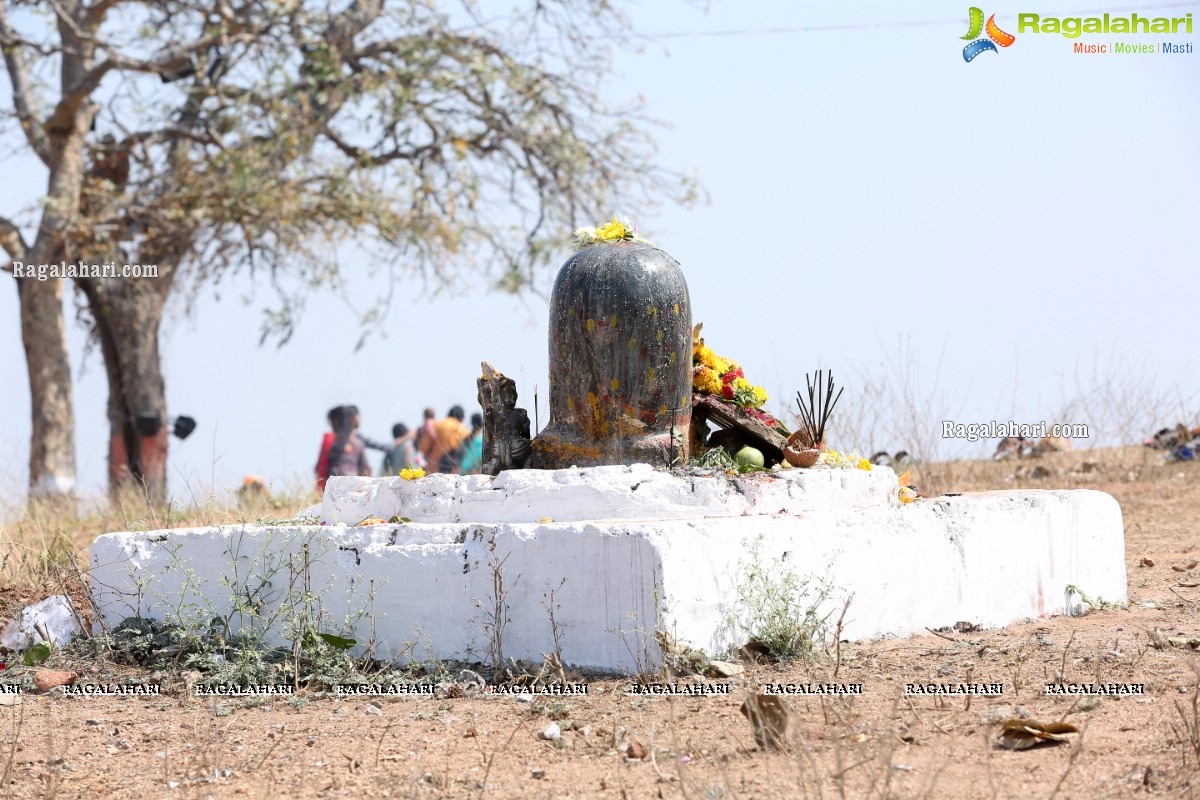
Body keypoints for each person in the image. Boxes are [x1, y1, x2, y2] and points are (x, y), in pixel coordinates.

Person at [326, 405, 389, 478]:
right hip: (352, 483)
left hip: (335, 483)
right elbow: (366, 469)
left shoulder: (331, 441)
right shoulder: (357, 441)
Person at [426, 405, 471, 474]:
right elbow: (468, 448)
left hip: (433, 467)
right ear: (462, 418)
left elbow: (423, 447)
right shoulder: (462, 430)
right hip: (453, 469)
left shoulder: (437, 425)